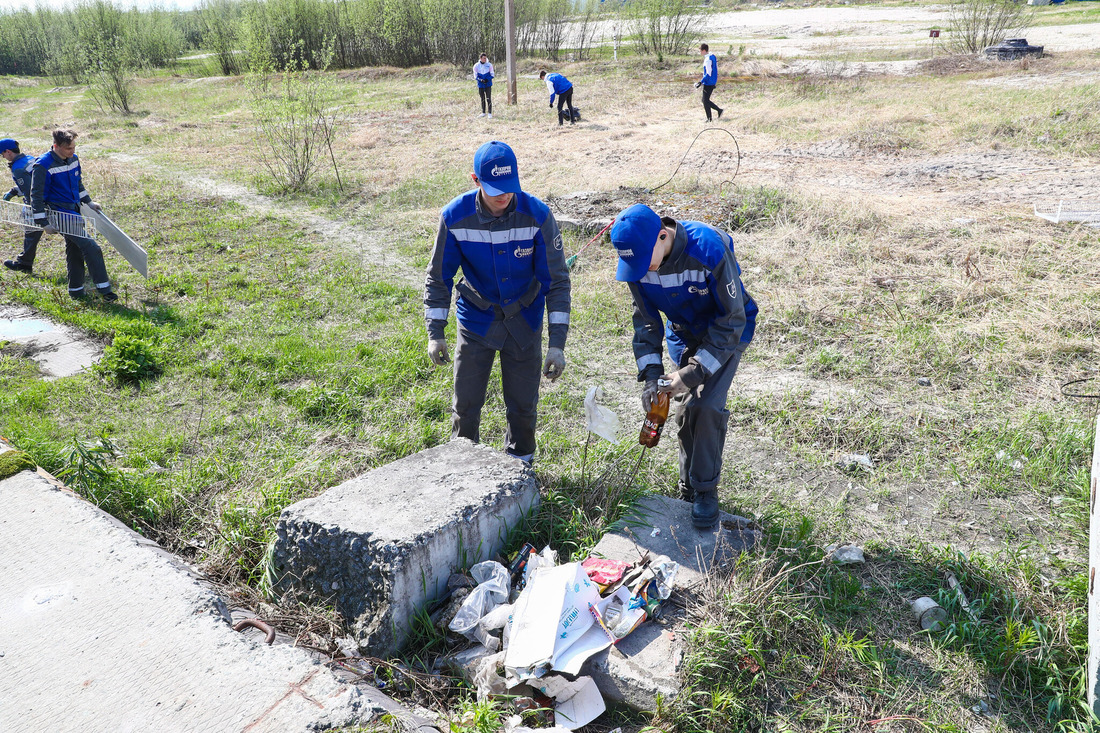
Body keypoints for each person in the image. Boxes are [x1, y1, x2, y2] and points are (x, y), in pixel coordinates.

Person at [610, 203, 757, 530]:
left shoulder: (708, 250)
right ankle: (689, 486)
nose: (638, 271)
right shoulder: (639, 262)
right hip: (684, 332)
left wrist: (690, 374)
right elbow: (647, 325)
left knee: (704, 405)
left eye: (641, 262)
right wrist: (651, 376)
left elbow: (732, 319)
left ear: (663, 236)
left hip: (727, 330)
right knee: (685, 408)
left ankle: (705, 490)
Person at [424, 140, 571, 463]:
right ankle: (464, 464)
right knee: (466, 403)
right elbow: (439, 278)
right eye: (494, 189)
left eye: (509, 187)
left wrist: (557, 344)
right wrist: (436, 333)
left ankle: (521, 465)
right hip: (476, 322)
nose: (504, 196)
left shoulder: (537, 216)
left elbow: (557, 281)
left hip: (524, 323)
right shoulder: (454, 217)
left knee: (522, 405)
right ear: (475, 181)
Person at [29, 129, 117, 301]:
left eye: (74, 147)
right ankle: (105, 291)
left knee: (75, 249)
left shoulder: (74, 159)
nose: (73, 151)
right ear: (56, 146)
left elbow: (78, 183)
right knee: (92, 247)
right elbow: (36, 196)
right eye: (69, 148)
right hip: (59, 213)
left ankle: (76, 291)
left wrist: (89, 202)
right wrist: (43, 222)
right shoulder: (43, 165)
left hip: (74, 211)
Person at [1, 138, 42, 274]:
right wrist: (13, 191)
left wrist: (31, 210)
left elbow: (31, 191)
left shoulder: (18, 168)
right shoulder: (30, 158)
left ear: (8, 152)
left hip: (39, 203)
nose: (3, 157)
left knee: (31, 231)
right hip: (52, 196)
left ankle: (24, 264)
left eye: (2, 154)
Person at [694, 43, 723, 123]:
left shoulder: (708, 59)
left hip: (709, 82)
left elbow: (708, 73)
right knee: (705, 100)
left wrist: (700, 82)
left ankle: (710, 118)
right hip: (712, 80)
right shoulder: (712, 56)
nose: (700, 52)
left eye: (700, 50)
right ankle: (718, 111)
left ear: (703, 50)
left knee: (705, 100)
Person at [474, 53, 494, 118]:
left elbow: (492, 74)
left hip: (488, 84)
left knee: (488, 98)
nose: (485, 59)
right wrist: (480, 80)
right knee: (482, 98)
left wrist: (487, 79)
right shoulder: (476, 66)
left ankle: (490, 113)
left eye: (486, 58)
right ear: (480, 58)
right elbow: (475, 76)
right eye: (484, 58)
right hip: (480, 85)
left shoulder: (489, 65)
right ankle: (483, 112)